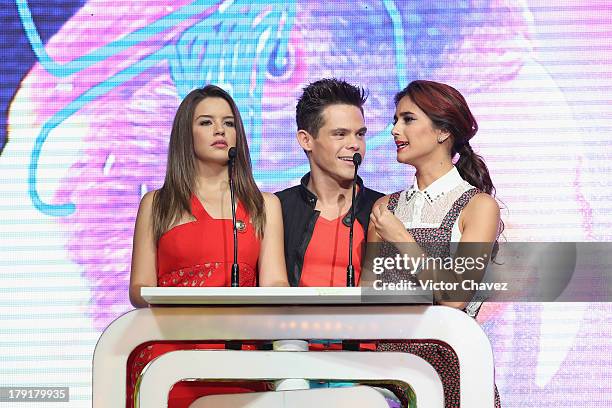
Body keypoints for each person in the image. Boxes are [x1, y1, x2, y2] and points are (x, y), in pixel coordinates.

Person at [128, 85, 288, 408]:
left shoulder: (263, 205)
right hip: (169, 355)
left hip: (239, 357)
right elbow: (138, 289)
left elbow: (276, 284)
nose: (220, 130)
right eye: (206, 122)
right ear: (186, 135)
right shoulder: (157, 204)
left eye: (228, 123)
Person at [365, 80, 502, 407]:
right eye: (395, 120)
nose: (395, 130)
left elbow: (454, 298)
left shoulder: (478, 207)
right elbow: (368, 300)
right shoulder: (386, 208)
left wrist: (400, 238)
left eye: (408, 119)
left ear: (442, 131)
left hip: (453, 374)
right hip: (390, 376)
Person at [276, 78, 383, 287]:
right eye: (340, 134)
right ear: (306, 140)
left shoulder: (382, 209)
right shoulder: (278, 209)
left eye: (360, 134)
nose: (354, 144)